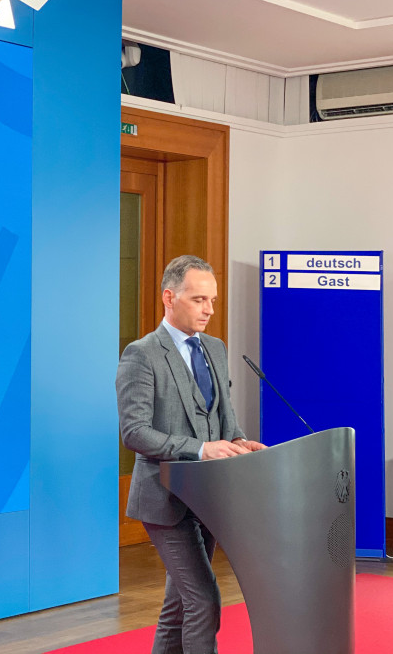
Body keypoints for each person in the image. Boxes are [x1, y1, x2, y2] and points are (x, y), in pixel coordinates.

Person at [116, 255, 265, 654]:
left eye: (212, 300)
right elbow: (134, 433)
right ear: (169, 297)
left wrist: (241, 443)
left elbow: (224, 421)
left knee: (179, 604)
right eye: (199, 299)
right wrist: (200, 449)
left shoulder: (215, 348)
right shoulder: (141, 354)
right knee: (203, 600)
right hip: (164, 500)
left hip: (210, 498)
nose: (210, 310)